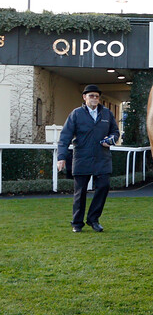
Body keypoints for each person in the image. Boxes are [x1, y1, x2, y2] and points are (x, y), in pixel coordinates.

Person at [57, 85, 120, 233]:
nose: (94, 98)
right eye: (91, 96)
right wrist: (61, 157)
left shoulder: (107, 114)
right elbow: (65, 136)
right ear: (84, 97)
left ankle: (93, 219)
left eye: (97, 96)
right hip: (82, 158)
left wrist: (111, 140)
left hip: (102, 157)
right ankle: (77, 223)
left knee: (103, 187)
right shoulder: (76, 114)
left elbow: (115, 132)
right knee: (80, 192)